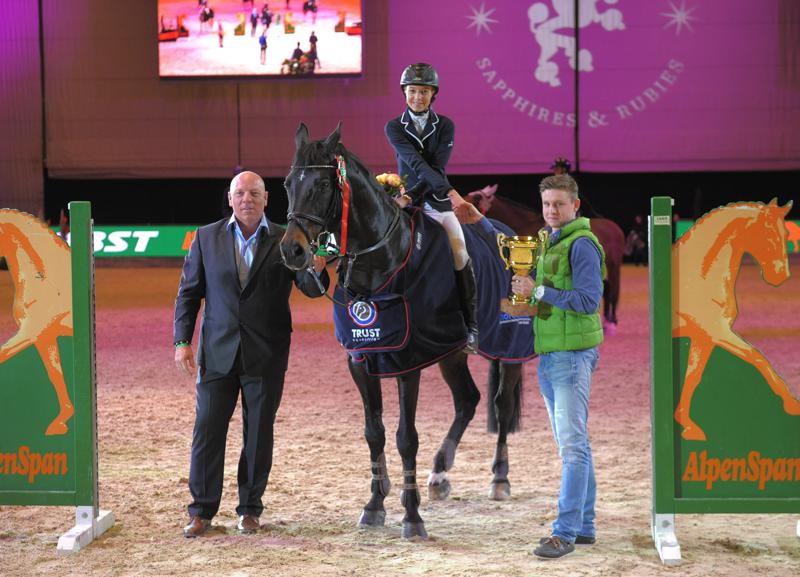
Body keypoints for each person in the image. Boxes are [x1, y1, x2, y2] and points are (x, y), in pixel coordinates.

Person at [174, 171, 329, 538]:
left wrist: (318, 266)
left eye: (254, 193)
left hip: (267, 353)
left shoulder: (285, 239)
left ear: (266, 199)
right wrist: (182, 341)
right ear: (229, 198)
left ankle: (249, 510)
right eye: (240, 193)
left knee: (258, 434)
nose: (247, 199)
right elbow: (188, 293)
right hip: (217, 353)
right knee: (207, 431)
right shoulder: (205, 237)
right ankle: (201, 512)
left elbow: (309, 288)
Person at [510, 173, 605, 559]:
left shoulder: (581, 244)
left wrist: (537, 290)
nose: (552, 210)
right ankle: (584, 526)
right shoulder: (550, 240)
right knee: (576, 444)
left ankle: (564, 533)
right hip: (552, 353)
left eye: (559, 204)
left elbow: (587, 301)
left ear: (575, 206)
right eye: (548, 204)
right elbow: (547, 302)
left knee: (572, 448)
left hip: (570, 356)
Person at [384, 62, 479, 353]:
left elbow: (435, 167)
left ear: (432, 94)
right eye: (412, 91)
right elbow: (413, 162)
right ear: (405, 92)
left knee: (459, 252)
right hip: (404, 200)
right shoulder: (393, 127)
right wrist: (410, 196)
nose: (417, 97)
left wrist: (419, 195)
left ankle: (471, 325)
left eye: (424, 92)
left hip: (434, 201)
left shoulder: (446, 125)